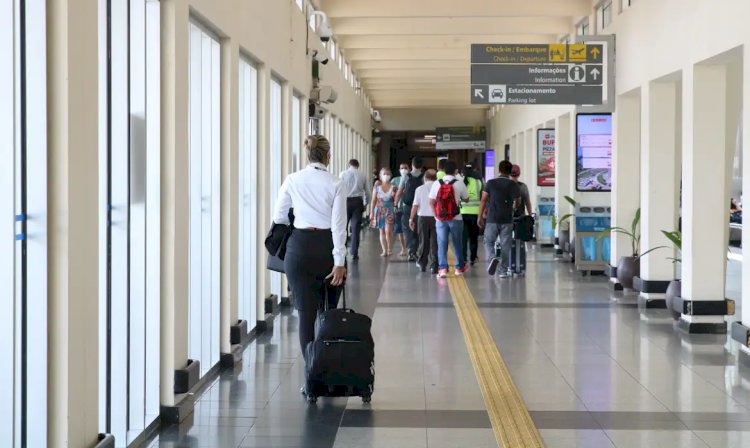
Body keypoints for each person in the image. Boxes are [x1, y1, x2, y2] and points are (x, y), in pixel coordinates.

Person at [272, 135, 346, 393]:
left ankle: (311, 378)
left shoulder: (292, 180)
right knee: (327, 312)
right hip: (326, 249)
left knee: (306, 313)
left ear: (308, 156)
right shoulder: (336, 183)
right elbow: (338, 226)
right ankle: (330, 370)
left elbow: (279, 216)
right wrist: (339, 261)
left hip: (299, 249)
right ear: (328, 156)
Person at [478, 160, 520, 278]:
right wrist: (513, 208)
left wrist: (480, 216)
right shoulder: (513, 184)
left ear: (499, 170)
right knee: (505, 244)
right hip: (507, 218)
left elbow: (483, 200)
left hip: (492, 217)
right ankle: (503, 270)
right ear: (509, 172)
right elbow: (517, 202)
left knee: (488, 241)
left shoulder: (491, 183)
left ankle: (492, 258)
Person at [429, 160, 470, 278]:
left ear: (443, 171)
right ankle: (459, 268)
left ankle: (442, 269)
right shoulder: (459, 183)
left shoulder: (437, 183)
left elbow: (431, 202)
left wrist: (435, 215)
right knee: (458, 243)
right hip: (456, 218)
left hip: (440, 219)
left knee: (441, 243)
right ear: (455, 171)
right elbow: (466, 199)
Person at [339, 159, 370, 260]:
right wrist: (366, 204)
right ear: (358, 166)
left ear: (349, 165)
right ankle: (354, 252)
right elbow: (368, 192)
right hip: (358, 202)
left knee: (343, 227)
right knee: (356, 228)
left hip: (345, 202)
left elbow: (339, 189)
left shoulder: (342, 174)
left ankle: (341, 251)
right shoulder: (363, 175)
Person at [396, 156, 425, 261]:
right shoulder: (424, 177)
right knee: (419, 228)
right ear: (421, 166)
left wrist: (395, 204)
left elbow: (399, 192)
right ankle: (417, 250)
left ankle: (411, 251)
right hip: (420, 206)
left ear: (412, 165)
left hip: (407, 206)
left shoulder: (406, 176)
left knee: (407, 229)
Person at [410, 170, 438, 273]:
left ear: (424, 178)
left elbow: (415, 205)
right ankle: (434, 266)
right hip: (436, 218)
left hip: (422, 218)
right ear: (435, 178)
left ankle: (422, 264)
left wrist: (411, 219)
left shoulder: (419, 189)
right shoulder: (438, 188)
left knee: (423, 241)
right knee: (435, 243)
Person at [510, 164, 532, 275]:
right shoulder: (522, 186)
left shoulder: (504, 185)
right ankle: (521, 267)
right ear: (519, 174)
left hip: (507, 218)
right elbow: (527, 202)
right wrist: (530, 215)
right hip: (521, 218)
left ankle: (510, 266)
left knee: (508, 242)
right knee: (521, 242)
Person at [370, 167, 397, 256]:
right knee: (381, 230)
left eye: (388, 174)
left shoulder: (393, 188)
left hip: (389, 210)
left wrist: (395, 206)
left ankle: (389, 248)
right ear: (380, 176)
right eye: (384, 174)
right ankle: (384, 250)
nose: (386, 176)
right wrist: (371, 212)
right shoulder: (377, 188)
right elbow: (373, 200)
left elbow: (397, 199)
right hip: (379, 210)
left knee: (388, 230)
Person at [460, 163, 484, 265]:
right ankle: (473, 258)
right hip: (475, 213)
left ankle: (464, 257)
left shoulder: (460, 181)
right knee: (473, 237)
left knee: (463, 237)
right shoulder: (479, 181)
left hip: (462, 213)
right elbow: (483, 196)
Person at [391, 163, 409, 256]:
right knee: (400, 229)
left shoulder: (411, 179)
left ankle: (410, 248)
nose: (403, 170)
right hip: (399, 207)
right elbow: (391, 194)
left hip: (409, 207)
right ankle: (403, 248)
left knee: (410, 229)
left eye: (405, 168)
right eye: (402, 168)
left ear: (409, 169)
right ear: (399, 170)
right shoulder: (395, 180)